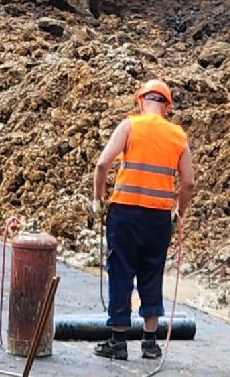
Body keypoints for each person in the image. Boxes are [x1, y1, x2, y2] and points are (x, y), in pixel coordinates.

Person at [91, 79, 194, 362]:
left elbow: (102, 165)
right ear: (167, 106)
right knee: (151, 273)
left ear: (140, 101)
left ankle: (119, 341)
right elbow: (188, 184)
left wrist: (97, 202)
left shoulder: (129, 126)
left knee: (121, 272)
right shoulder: (177, 136)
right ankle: (150, 343)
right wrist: (179, 215)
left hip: (124, 213)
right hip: (159, 217)